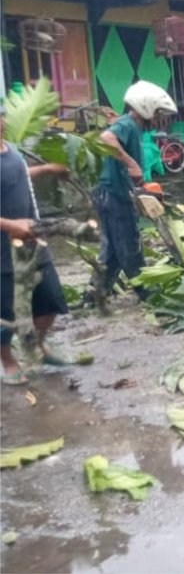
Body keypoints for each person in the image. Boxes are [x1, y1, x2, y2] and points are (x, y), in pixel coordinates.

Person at [0, 104, 73, 384]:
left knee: (50, 299)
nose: (1, 123)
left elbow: (15, 176)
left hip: (33, 241)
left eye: (1, 116)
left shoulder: (12, 149)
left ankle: (38, 346)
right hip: (3, 252)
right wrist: (11, 225)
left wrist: (45, 169)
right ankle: (7, 362)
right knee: (6, 312)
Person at [92, 81, 177, 299]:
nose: (158, 119)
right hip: (112, 195)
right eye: (157, 113)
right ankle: (146, 292)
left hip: (112, 192)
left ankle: (93, 297)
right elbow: (106, 138)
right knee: (129, 245)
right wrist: (131, 163)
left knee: (112, 252)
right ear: (146, 108)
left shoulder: (131, 126)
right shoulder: (128, 124)